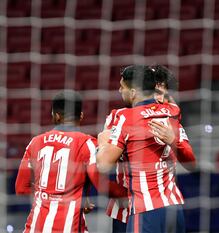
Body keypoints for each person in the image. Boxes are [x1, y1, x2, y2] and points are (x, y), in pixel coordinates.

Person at [96, 65, 196, 233]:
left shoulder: (123, 118)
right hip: (133, 206)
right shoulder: (172, 113)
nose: (160, 97)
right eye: (158, 91)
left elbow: (102, 165)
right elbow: (192, 163)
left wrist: (103, 142)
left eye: (164, 93)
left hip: (143, 206)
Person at [15, 90, 127, 233]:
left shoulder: (35, 142)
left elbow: (20, 188)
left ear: (55, 115)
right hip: (69, 227)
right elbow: (101, 185)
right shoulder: (86, 143)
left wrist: (46, 198)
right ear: (81, 116)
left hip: (35, 227)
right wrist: (128, 193)